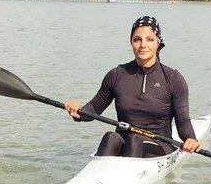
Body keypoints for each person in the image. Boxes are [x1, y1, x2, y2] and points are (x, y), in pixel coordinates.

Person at [64, 16, 202, 157]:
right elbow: (93, 108)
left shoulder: (173, 79)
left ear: (158, 43)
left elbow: (183, 120)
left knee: (134, 139)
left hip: (159, 146)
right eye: (137, 39)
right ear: (131, 42)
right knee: (110, 137)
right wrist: (78, 112)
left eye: (150, 39)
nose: (143, 45)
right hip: (123, 142)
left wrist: (190, 139)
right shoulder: (116, 75)